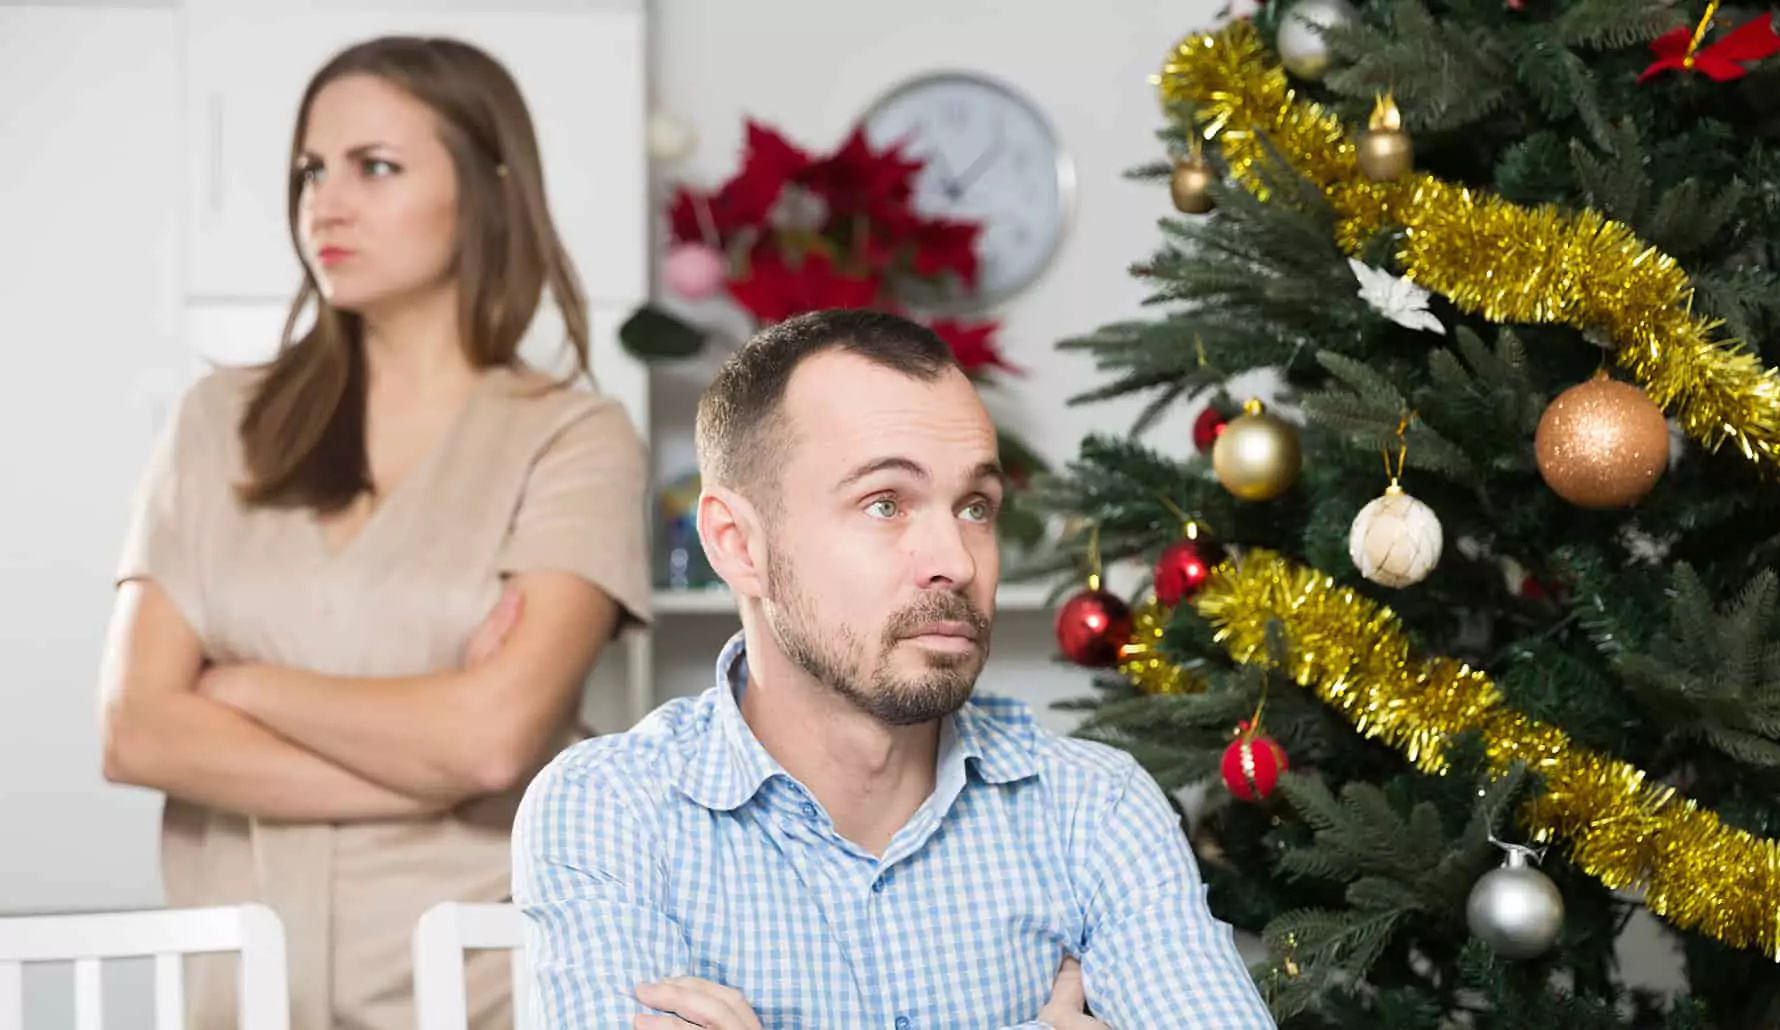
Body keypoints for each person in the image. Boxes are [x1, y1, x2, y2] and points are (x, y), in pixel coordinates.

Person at [97, 35, 651, 1030]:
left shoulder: (575, 437)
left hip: (480, 987)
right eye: (312, 169)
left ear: (487, 189)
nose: (326, 203)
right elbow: (136, 729)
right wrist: (426, 750)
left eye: (375, 167)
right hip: (241, 989)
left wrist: (238, 687)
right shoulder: (217, 421)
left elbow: (491, 741)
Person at [512, 309, 1275, 1029]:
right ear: (738, 544)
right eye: (885, 504)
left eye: (975, 505)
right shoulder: (611, 811)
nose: (954, 560)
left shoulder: (1095, 811)